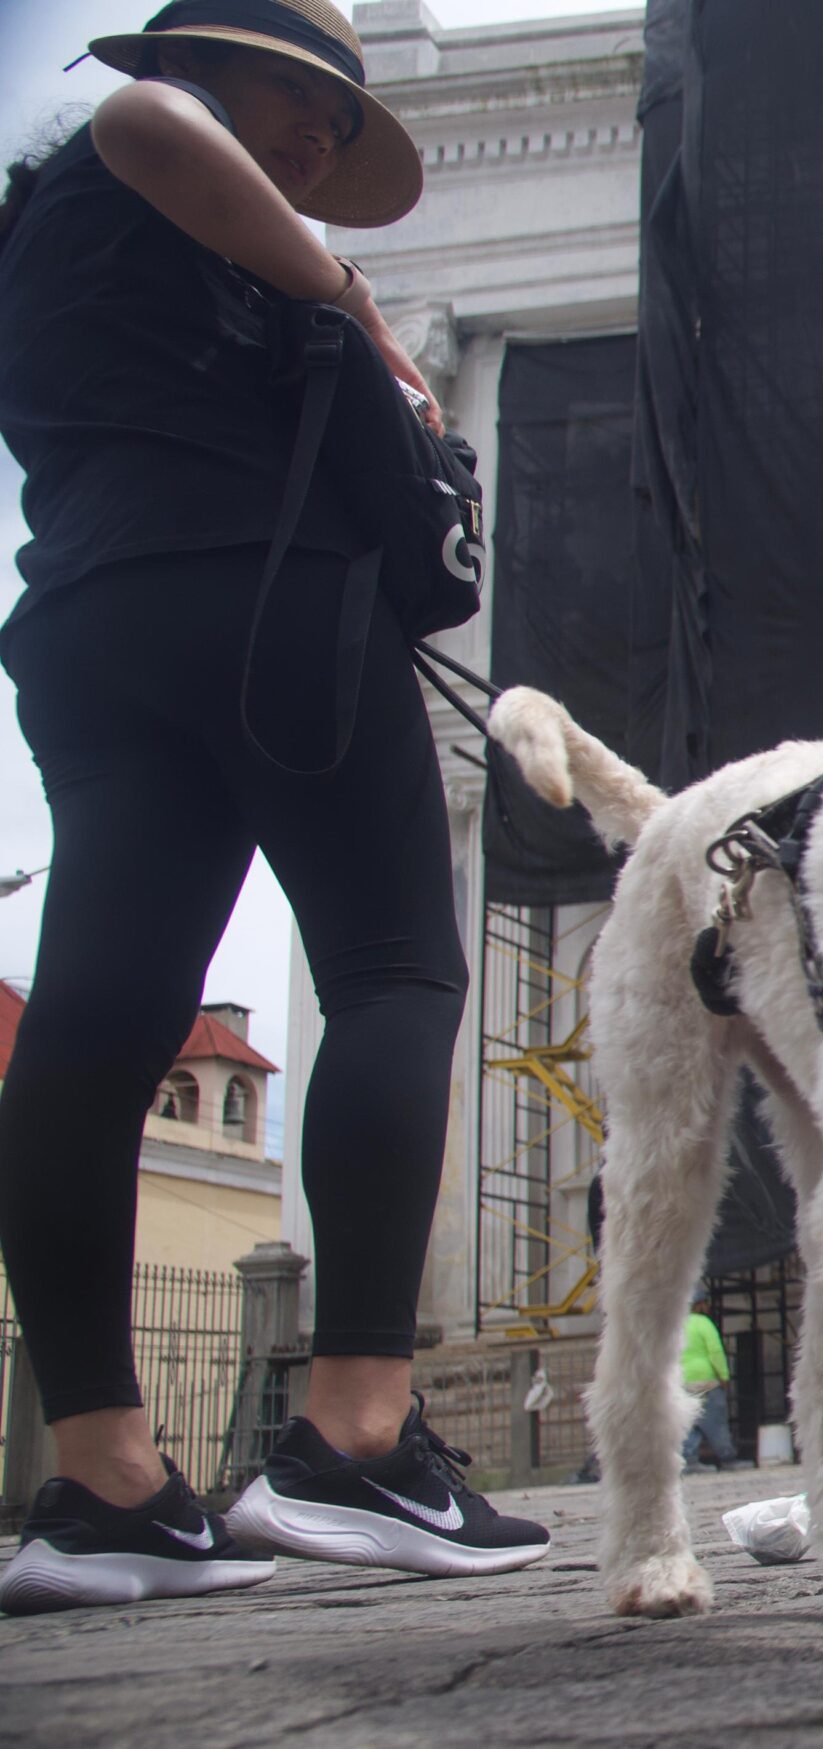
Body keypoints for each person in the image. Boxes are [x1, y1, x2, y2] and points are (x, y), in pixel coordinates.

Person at [0, 2, 546, 1618]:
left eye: (332, 119)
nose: (310, 144)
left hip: (96, 621)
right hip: (266, 601)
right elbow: (160, 128)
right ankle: (354, 1433)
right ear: (198, 66)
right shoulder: (139, 138)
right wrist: (363, 316)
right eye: (291, 102)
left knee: (95, 1026)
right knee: (396, 967)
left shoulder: (54, 234)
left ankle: (104, 1479)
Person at [679, 1291, 739, 1470]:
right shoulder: (703, 1323)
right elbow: (715, 1351)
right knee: (715, 1421)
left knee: (688, 1423)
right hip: (706, 1380)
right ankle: (728, 1458)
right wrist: (724, 1376)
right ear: (700, 1304)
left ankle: (690, 1461)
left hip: (682, 1381)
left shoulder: (676, 1325)